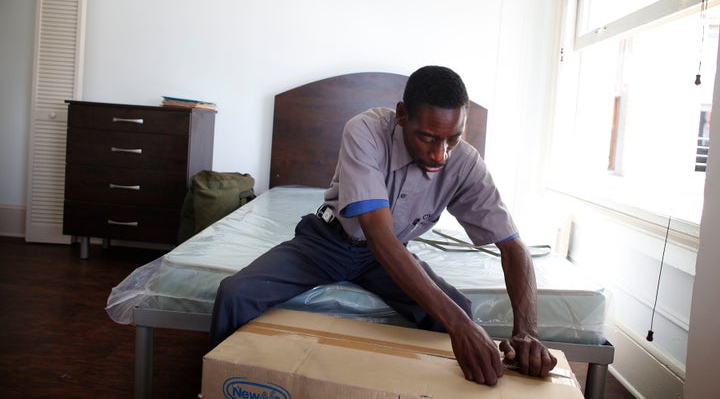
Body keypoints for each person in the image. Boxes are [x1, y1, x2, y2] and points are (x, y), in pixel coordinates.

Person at [210, 65, 557, 386]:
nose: (441, 155)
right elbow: (378, 235)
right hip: (327, 244)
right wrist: (460, 326)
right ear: (402, 115)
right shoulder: (365, 131)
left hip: (387, 258)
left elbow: (513, 248)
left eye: (452, 138)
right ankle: (225, 385)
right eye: (428, 138)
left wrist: (528, 332)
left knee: (460, 310)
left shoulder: (465, 163)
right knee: (235, 294)